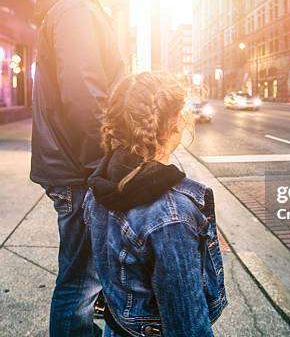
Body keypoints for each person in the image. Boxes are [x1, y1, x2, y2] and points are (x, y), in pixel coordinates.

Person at [83, 72, 228, 337]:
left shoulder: (97, 190)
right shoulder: (172, 218)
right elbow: (187, 327)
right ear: (173, 122)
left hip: (116, 329)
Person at [30, 0, 125, 337]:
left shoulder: (75, 10)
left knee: (85, 276)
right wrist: (104, 168)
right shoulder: (76, 10)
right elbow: (85, 95)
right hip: (80, 172)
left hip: (75, 168)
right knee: (81, 282)